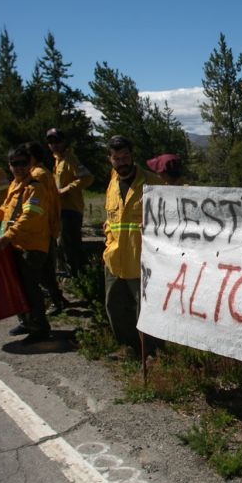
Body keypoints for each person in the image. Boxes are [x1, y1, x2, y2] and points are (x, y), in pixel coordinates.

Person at [0, 146, 53, 344]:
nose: (19, 167)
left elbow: (29, 217)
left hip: (32, 246)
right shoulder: (15, 185)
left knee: (30, 288)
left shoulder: (35, 187)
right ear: (9, 166)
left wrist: (7, 236)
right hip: (16, 244)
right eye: (14, 164)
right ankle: (26, 321)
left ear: (30, 164)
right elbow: (8, 209)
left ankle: (40, 328)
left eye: (23, 163)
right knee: (17, 285)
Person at [103, 135, 163, 357]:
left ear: (132, 156)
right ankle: (128, 347)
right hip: (114, 258)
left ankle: (153, 355)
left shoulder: (152, 182)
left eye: (126, 156)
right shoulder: (112, 182)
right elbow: (111, 218)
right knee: (114, 305)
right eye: (117, 158)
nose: (122, 162)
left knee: (146, 310)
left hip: (141, 259)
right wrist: (108, 240)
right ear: (110, 160)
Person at [24, 141, 67, 313]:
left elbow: (39, 204)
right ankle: (58, 300)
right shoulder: (43, 172)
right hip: (47, 227)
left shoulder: (38, 175)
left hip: (41, 229)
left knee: (43, 270)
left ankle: (55, 301)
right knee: (46, 270)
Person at [46, 128, 94, 278]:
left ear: (64, 142)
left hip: (71, 209)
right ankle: (74, 275)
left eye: (57, 141)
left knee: (71, 245)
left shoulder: (70, 159)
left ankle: (80, 277)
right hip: (61, 209)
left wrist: (66, 189)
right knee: (64, 245)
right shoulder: (57, 160)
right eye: (51, 142)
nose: (54, 144)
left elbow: (87, 177)